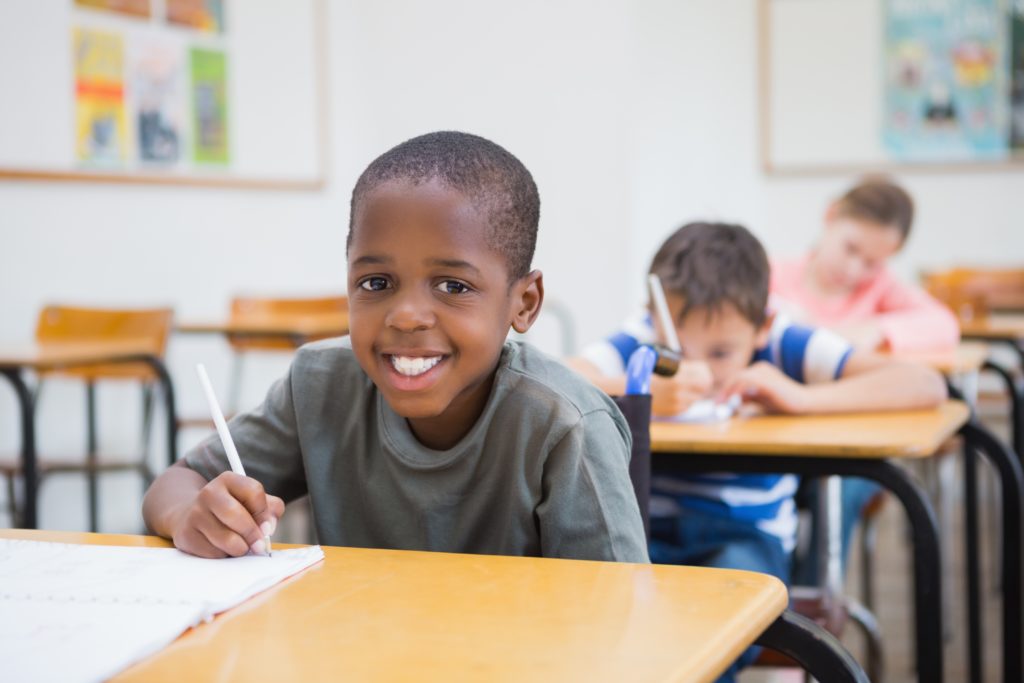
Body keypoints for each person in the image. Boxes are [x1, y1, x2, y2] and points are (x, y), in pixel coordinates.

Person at [143, 131, 648, 563]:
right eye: (376, 282)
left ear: (525, 303)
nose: (406, 316)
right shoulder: (320, 386)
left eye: (453, 286)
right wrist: (192, 514)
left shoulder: (565, 428)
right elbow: (177, 482)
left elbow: (619, 616)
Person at [568, 221, 946, 682]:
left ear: (762, 326)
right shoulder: (644, 341)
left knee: (714, 631)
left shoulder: (786, 343)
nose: (700, 370)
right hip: (646, 536)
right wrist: (635, 390)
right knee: (599, 622)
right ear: (654, 318)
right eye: (679, 351)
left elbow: (921, 383)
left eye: (722, 352)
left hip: (744, 540)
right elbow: (562, 376)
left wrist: (801, 397)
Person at [770, 177, 959, 583]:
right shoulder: (773, 276)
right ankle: (770, 595)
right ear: (831, 216)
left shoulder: (880, 292)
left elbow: (943, 323)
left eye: (872, 263)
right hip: (771, 446)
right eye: (851, 249)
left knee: (846, 485)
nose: (855, 270)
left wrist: (877, 329)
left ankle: (807, 612)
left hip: (846, 454)